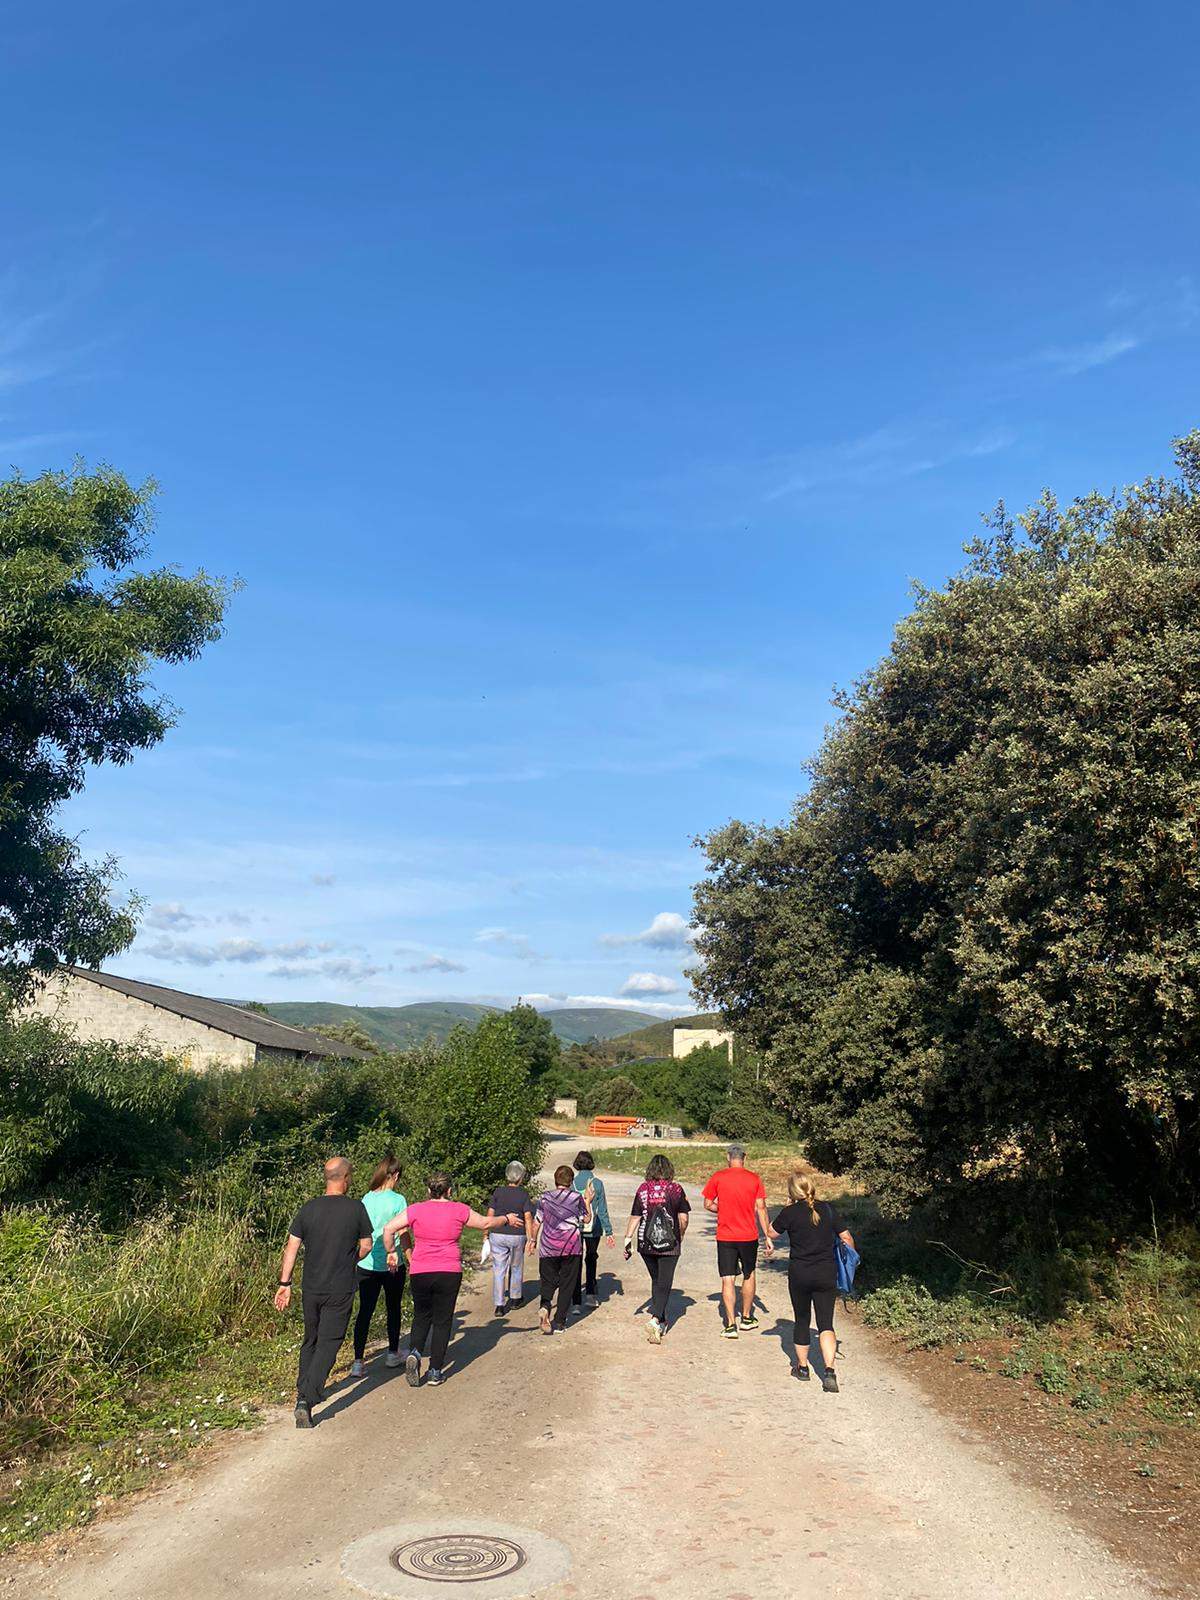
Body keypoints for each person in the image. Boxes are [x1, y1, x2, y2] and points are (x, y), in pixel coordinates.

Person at [383, 1172, 519, 1387]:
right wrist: (507, 1218)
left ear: (429, 1190)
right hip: (448, 1270)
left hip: (421, 1270)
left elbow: (388, 1228)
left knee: (421, 1316)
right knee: (443, 1320)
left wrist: (391, 1251)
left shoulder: (416, 1210)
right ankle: (435, 1371)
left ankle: (416, 1353)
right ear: (449, 1191)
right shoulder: (459, 1209)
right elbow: (485, 1223)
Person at [274, 1156, 374, 1428]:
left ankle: (302, 1391)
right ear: (345, 1178)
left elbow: (291, 1247)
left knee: (311, 1339)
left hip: (311, 1287)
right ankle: (307, 1397)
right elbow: (367, 1244)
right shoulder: (356, 1208)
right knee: (329, 1342)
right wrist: (352, 1257)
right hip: (340, 1287)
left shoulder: (308, 1209)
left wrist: (285, 1284)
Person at [765, 1168, 856, 1393]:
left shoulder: (790, 1213)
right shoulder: (828, 1209)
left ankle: (803, 1368)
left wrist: (787, 1208)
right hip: (826, 1273)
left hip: (800, 1274)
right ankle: (829, 1372)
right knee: (826, 1323)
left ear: (792, 1191)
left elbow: (771, 1232)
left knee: (802, 1319)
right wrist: (851, 1260)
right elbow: (846, 1237)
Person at [702, 1144, 772, 1338]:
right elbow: (762, 1208)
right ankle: (747, 1318)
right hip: (748, 1236)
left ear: (728, 1157)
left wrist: (722, 1208)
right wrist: (767, 1235)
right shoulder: (754, 1179)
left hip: (725, 1236)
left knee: (728, 1279)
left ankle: (731, 1324)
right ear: (744, 1158)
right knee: (748, 1274)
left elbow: (707, 1203)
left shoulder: (718, 1177)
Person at [623, 1153, 691, 1343]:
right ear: (669, 1170)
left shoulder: (643, 1189)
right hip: (670, 1243)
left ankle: (660, 1321)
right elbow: (683, 1218)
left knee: (656, 1279)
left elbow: (635, 1216)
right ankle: (655, 1319)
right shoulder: (676, 1189)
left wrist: (627, 1239)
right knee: (665, 1282)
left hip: (646, 1243)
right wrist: (681, 1234)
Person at [351, 1156, 409, 1376]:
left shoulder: (366, 1198)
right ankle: (393, 1353)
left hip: (367, 1263)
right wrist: (410, 1256)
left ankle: (358, 1361)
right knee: (393, 1308)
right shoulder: (398, 1200)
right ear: (394, 1175)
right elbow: (403, 1233)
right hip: (392, 1262)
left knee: (365, 1310)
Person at [528, 1164, 592, 1334]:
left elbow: (537, 1222)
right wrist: (588, 1201)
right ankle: (560, 1322)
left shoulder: (545, 1198)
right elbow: (586, 1219)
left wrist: (532, 1240)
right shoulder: (576, 1198)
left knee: (548, 1281)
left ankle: (545, 1306)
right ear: (571, 1181)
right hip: (571, 1247)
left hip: (548, 1247)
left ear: (555, 1180)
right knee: (567, 1284)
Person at [485, 1160, 536, 1316]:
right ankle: (515, 1298)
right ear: (520, 1178)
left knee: (499, 1269)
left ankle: (499, 1305)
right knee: (516, 1266)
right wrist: (531, 1238)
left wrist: (485, 1234)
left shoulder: (498, 1192)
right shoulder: (523, 1194)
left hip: (498, 1234)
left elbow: (490, 1214)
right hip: (517, 1236)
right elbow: (528, 1217)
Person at [571, 1150, 613, 1310]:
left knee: (576, 1261)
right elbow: (602, 1210)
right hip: (594, 1227)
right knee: (591, 1258)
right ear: (591, 1164)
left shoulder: (572, 1183)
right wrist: (608, 1231)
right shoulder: (598, 1183)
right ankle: (590, 1294)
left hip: (576, 1227)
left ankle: (575, 1301)